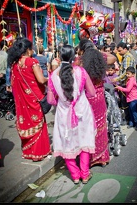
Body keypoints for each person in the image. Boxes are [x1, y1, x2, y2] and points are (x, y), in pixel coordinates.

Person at [47, 45, 96, 184]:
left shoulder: (53, 75)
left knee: (67, 143)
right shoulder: (81, 71)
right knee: (84, 140)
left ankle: (75, 176)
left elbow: (51, 100)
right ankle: (85, 175)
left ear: (59, 57)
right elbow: (92, 93)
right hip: (82, 110)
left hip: (64, 113)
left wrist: (62, 99)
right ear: (74, 57)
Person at [7, 37, 51, 161]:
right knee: (38, 124)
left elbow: (13, 83)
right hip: (34, 99)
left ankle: (28, 152)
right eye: (31, 49)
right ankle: (38, 153)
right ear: (27, 50)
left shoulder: (14, 64)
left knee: (26, 122)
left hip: (22, 100)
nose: (33, 51)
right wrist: (51, 79)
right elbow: (41, 80)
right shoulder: (32, 62)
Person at [76, 38, 111, 168]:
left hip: (86, 98)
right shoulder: (100, 58)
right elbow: (112, 58)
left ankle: (89, 159)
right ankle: (102, 158)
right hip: (99, 97)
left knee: (88, 128)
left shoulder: (80, 61)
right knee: (101, 126)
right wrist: (97, 52)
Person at [111, 42, 136, 125]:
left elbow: (126, 72)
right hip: (126, 83)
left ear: (125, 49)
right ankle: (130, 120)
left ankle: (130, 120)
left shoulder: (128, 57)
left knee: (126, 103)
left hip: (126, 84)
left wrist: (116, 79)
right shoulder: (126, 57)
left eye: (120, 51)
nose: (119, 53)